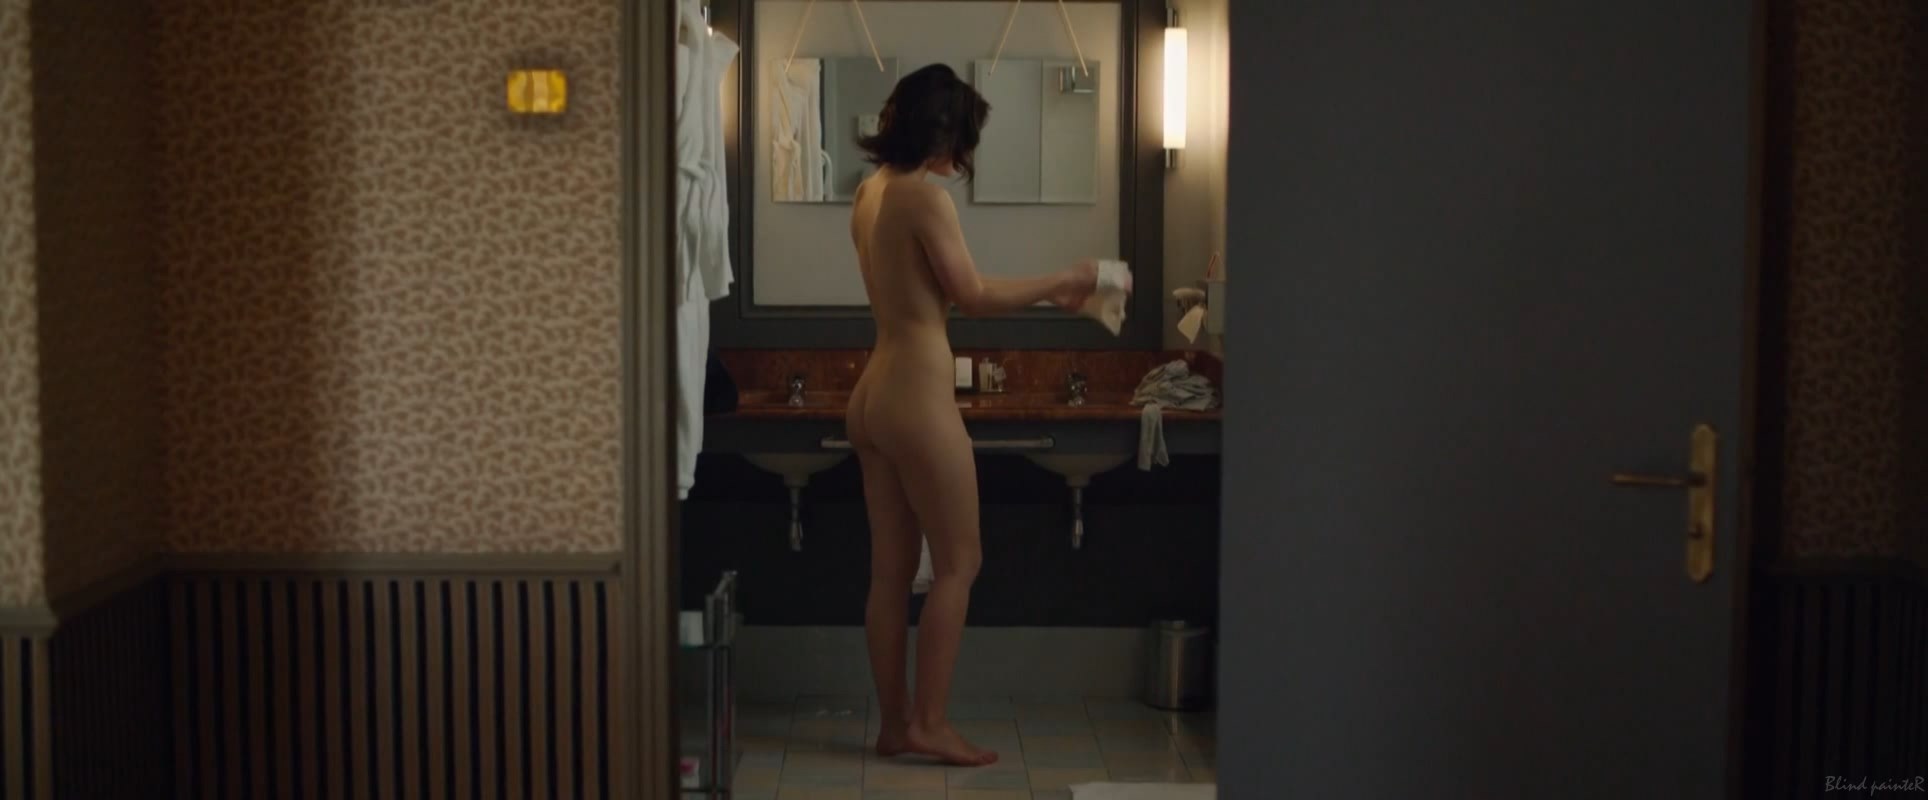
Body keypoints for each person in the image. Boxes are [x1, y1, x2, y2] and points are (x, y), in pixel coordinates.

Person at [844, 64, 1099, 767]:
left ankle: (895, 726)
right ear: (944, 134)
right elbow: (973, 294)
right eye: (962, 140)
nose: (962, 159)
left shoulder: (870, 192)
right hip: (916, 394)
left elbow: (922, 288)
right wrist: (1064, 281)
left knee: (889, 573)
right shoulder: (924, 199)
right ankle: (929, 724)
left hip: (872, 393)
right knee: (960, 562)